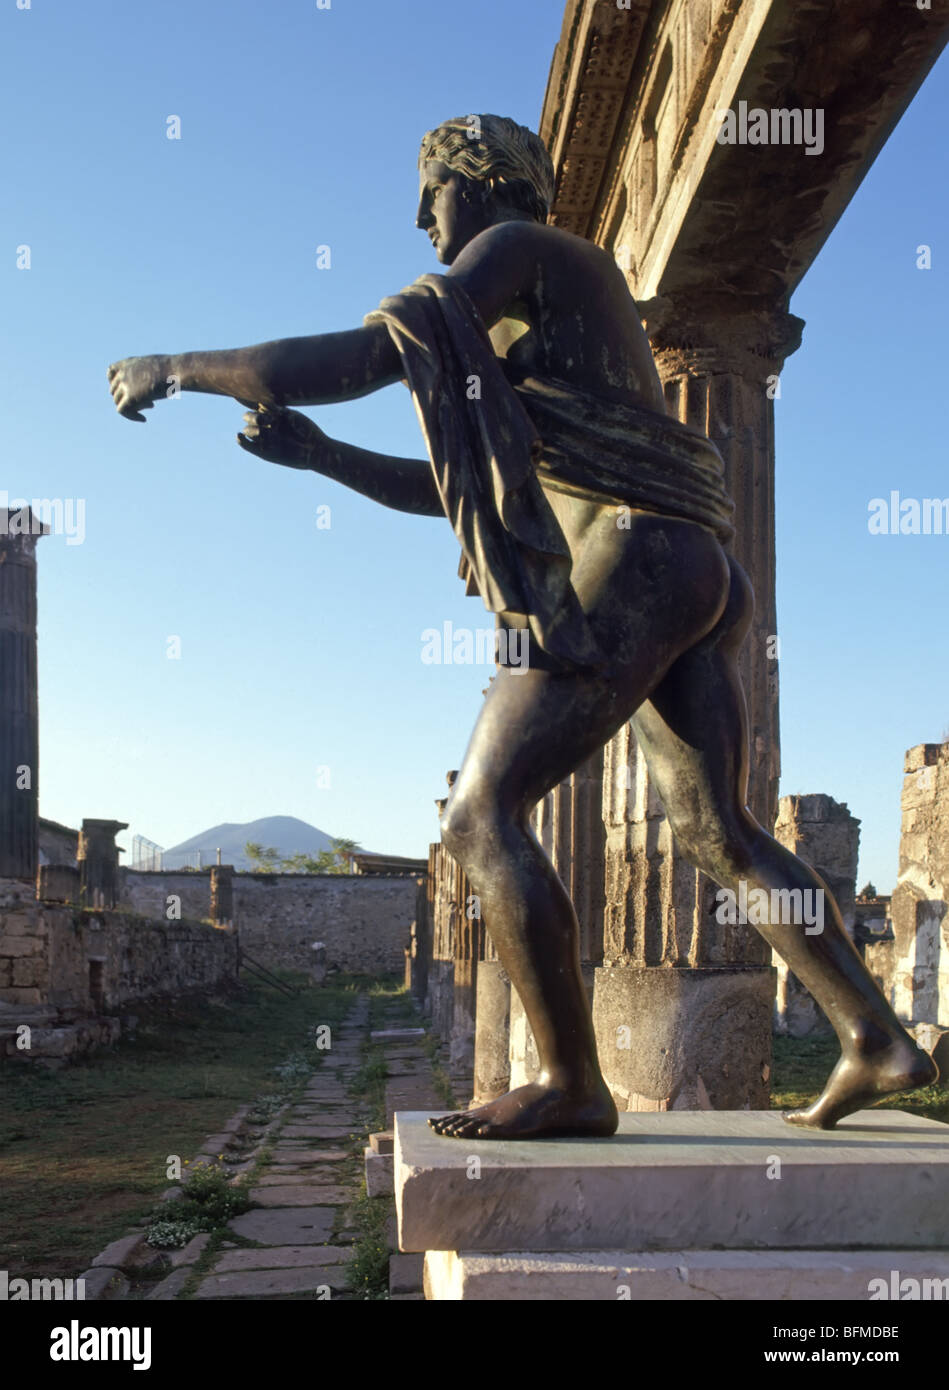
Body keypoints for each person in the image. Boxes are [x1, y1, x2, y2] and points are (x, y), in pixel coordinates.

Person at [108, 114, 936, 1140]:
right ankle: (874, 1037)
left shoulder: (524, 251)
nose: (422, 216)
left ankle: (572, 1083)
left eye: (432, 188)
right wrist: (323, 459)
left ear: (485, 180)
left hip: (633, 559)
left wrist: (175, 367)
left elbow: (374, 351)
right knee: (719, 831)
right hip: (696, 567)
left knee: (478, 815)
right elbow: (461, 490)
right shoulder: (543, 324)